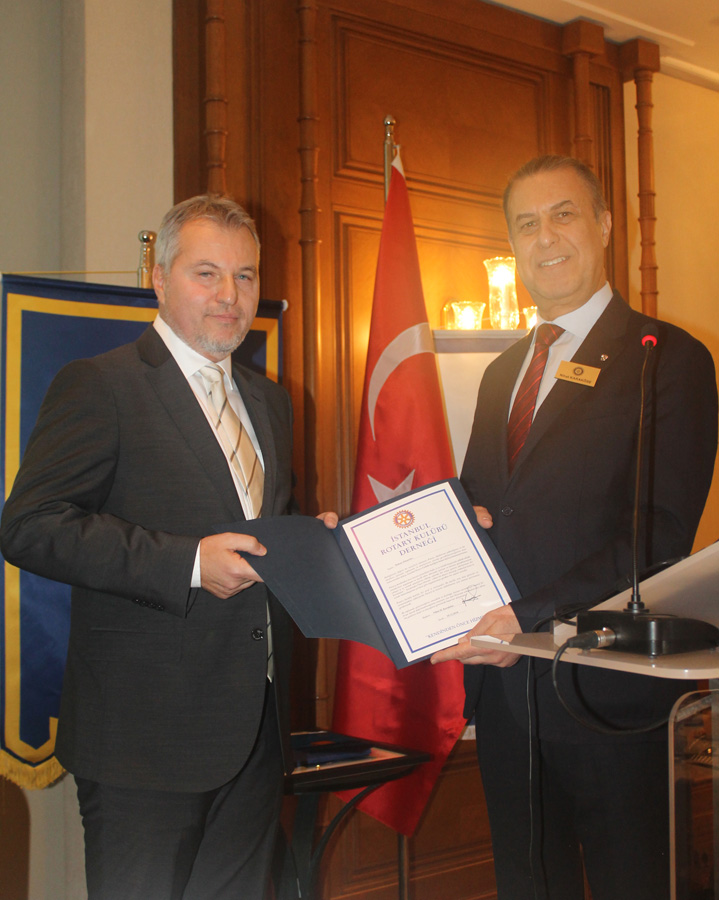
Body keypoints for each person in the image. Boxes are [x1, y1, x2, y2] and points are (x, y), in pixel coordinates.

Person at [0, 195, 337, 900]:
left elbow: (265, 534)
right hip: (141, 742)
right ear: (159, 279)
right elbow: (30, 524)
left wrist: (314, 543)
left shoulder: (271, 401)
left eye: (244, 276)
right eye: (206, 273)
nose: (229, 296)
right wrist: (187, 564)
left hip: (254, 731)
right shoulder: (102, 385)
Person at [431, 156, 717, 900]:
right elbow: (481, 508)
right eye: (526, 224)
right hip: (505, 690)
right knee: (526, 885)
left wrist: (525, 616)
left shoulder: (668, 358)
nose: (545, 237)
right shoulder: (502, 372)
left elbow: (656, 540)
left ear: (605, 225)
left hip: (606, 691)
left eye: (563, 215)